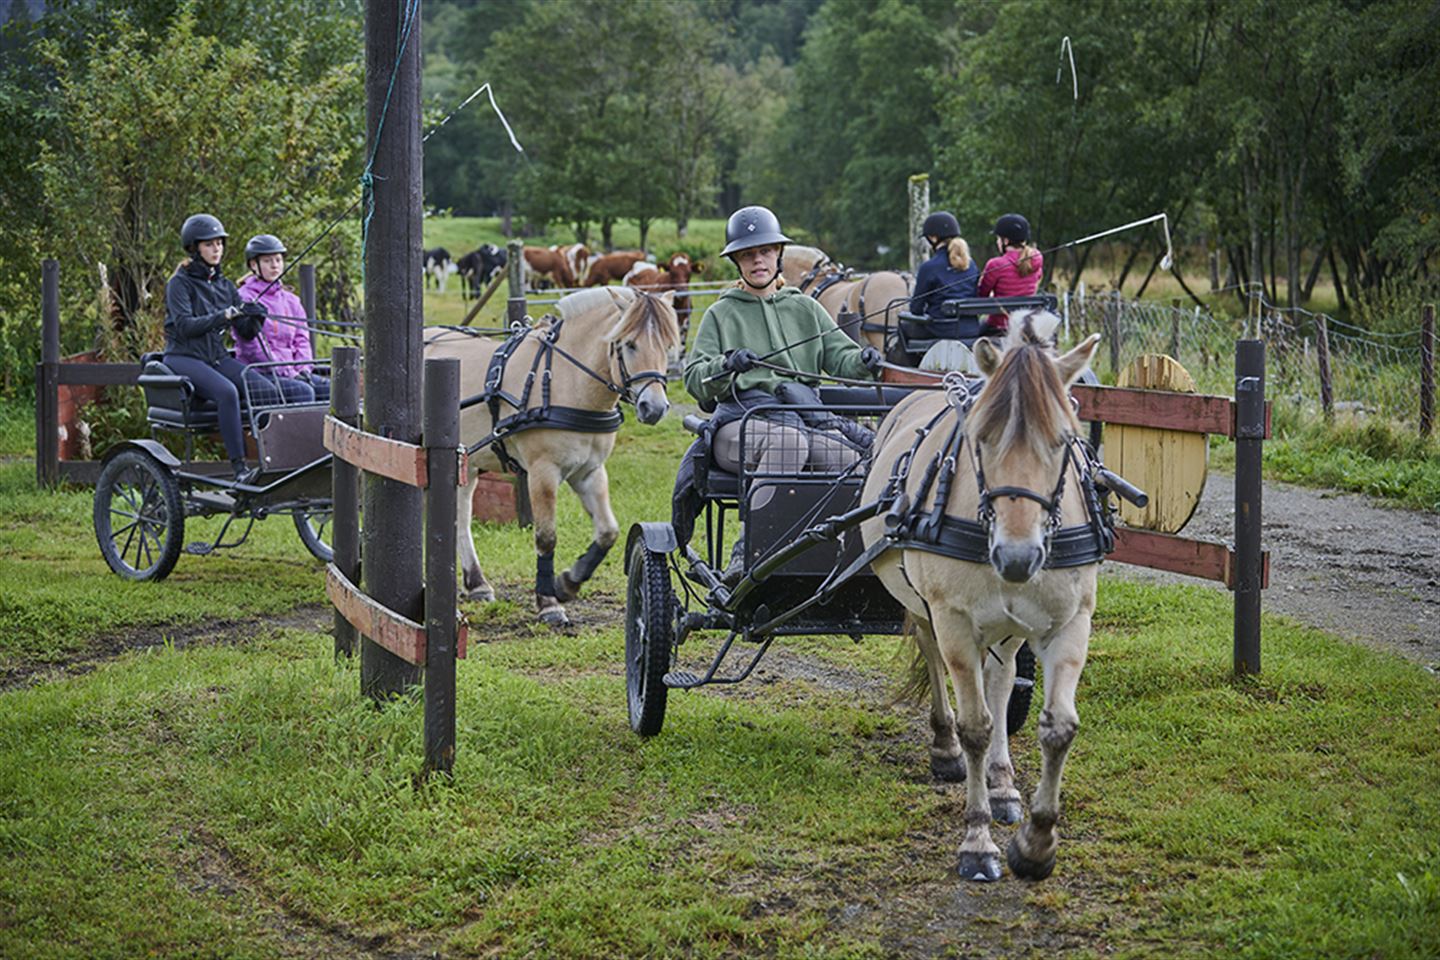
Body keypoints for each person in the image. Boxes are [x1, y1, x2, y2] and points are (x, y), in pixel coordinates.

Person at [684, 205, 882, 581]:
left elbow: (840, 356)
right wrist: (726, 365)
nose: (757, 260)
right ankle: (747, 556)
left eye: (764, 251)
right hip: (740, 424)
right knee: (789, 445)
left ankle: (838, 561)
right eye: (747, 254)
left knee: (852, 461)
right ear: (737, 262)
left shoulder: (804, 308)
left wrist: (864, 360)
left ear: (778, 255)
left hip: (804, 420)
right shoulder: (721, 314)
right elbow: (695, 379)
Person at [162, 214, 268, 485]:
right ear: (194, 248)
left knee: (265, 389)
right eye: (209, 244)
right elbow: (184, 326)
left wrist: (256, 317)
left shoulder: (225, 286)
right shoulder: (179, 283)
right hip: (183, 356)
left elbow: (244, 330)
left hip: (216, 358)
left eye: (219, 243)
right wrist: (224, 316)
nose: (216, 249)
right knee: (227, 392)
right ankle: (240, 468)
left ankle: (273, 460)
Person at [235, 234, 329, 403]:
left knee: (329, 389)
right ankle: (302, 430)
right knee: (303, 392)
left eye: (278, 260)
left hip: (293, 371)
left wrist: (304, 369)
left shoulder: (291, 300)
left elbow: (302, 339)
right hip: (262, 372)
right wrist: (288, 372)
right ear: (253, 265)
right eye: (267, 261)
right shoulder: (245, 299)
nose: (274, 265)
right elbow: (253, 348)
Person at [977, 213, 1044, 334]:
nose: (997, 242)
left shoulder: (996, 265)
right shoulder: (1036, 259)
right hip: (1026, 325)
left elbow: (982, 296)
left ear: (1005, 241)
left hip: (999, 326)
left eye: (998, 238)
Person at [910, 211, 978, 319]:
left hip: (940, 329)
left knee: (903, 326)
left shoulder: (929, 267)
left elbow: (916, 309)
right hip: (971, 329)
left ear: (933, 238)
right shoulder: (971, 264)